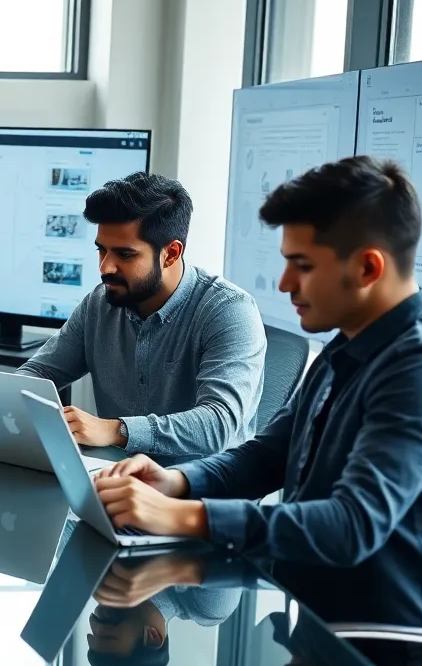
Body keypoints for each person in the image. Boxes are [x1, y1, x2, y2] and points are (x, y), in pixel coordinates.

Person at [91, 156, 422, 638]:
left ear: (367, 267)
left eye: (301, 266)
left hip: (386, 659)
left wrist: (182, 515)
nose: (284, 284)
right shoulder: (348, 347)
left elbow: (351, 526)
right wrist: (175, 481)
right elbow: (267, 455)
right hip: (317, 626)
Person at [17, 172, 266, 459]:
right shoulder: (99, 303)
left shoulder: (229, 311)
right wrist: (10, 405)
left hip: (195, 493)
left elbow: (219, 424)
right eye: (102, 251)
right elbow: (39, 373)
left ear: (170, 253)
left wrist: (115, 430)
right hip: (115, 478)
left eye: (125, 254)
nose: (105, 267)